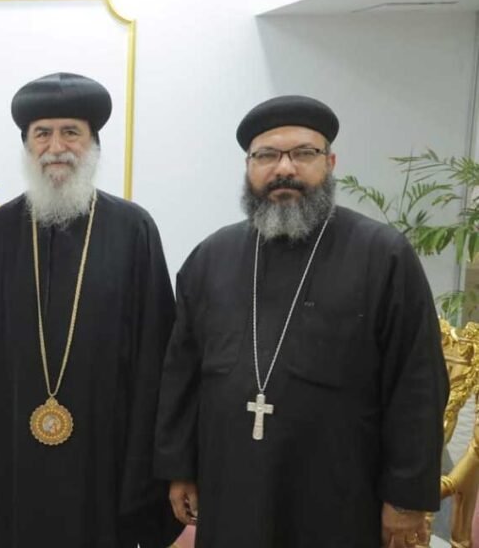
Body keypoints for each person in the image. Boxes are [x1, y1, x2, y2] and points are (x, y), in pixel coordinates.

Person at [153, 95, 447, 546]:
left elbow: (417, 382)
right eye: (266, 156)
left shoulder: (382, 255)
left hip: (339, 490)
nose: (284, 168)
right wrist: (180, 468)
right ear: (249, 167)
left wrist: (406, 497)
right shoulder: (211, 257)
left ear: (330, 162)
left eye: (303, 153)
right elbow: (182, 371)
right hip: (230, 485)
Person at [0, 72, 183, 547]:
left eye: (71, 132)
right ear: (27, 145)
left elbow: (156, 357)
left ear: (93, 143)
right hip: (12, 460)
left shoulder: (133, 230)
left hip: (106, 459)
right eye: (42, 133)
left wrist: (148, 473)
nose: (56, 146)